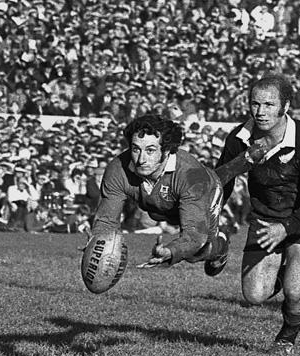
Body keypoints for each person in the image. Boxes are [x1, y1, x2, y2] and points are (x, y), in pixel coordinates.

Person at [217, 74, 300, 354]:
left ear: (285, 106)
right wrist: (212, 222)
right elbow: (221, 183)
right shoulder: (239, 138)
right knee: (254, 295)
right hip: (265, 218)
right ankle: (293, 274)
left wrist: (287, 228)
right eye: (255, 104)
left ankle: (287, 336)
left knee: (294, 292)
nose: (260, 111)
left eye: (269, 104)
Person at [88, 114, 270, 276]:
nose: (141, 159)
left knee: (195, 252)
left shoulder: (190, 175)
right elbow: (106, 220)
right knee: (168, 206)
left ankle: (221, 244)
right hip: (161, 205)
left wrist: (171, 251)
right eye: (136, 149)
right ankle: (246, 159)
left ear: (166, 151)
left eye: (150, 150)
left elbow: (194, 238)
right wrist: (98, 241)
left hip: (205, 190)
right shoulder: (117, 169)